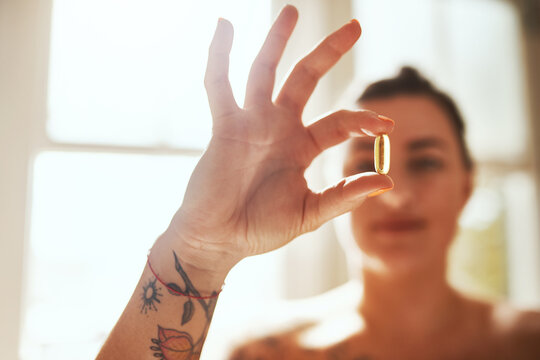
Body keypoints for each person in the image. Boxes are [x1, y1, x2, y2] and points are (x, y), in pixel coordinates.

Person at [97, 5, 540, 360]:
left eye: (426, 163)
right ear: (328, 184)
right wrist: (198, 254)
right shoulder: (265, 353)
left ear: (467, 185)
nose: (395, 193)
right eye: (364, 165)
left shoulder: (528, 342)